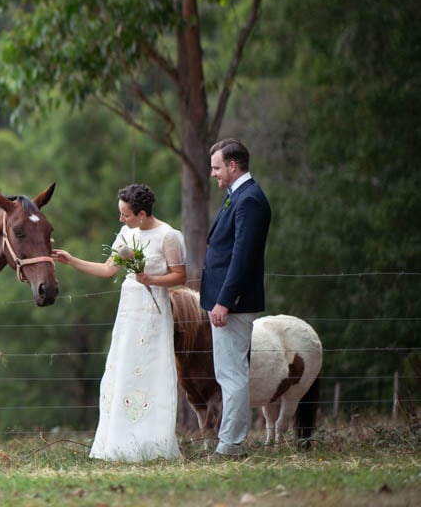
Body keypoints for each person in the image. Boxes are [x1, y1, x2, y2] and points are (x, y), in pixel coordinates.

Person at [52, 183, 186, 462]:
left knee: (150, 371)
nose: (121, 220)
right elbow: (108, 269)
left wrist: (152, 280)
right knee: (123, 369)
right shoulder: (127, 233)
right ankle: (120, 442)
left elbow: (179, 276)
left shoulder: (167, 236)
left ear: (142, 213)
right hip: (129, 311)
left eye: (125, 215)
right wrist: (71, 260)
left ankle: (153, 444)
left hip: (153, 312)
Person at [201, 137, 271, 459]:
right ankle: (230, 442)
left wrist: (225, 300)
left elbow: (242, 257)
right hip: (225, 301)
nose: (213, 173)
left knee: (232, 374)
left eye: (217, 167)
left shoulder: (250, 200)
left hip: (234, 304)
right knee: (227, 373)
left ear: (232, 165)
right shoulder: (237, 196)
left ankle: (230, 445)